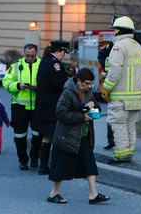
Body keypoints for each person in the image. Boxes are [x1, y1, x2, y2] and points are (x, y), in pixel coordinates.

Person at [47, 68, 110, 204]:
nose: (88, 86)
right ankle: (54, 193)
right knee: (61, 165)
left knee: (90, 164)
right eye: (86, 83)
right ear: (78, 81)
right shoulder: (68, 93)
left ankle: (93, 194)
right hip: (67, 135)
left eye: (90, 84)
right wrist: (82, 117)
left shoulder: (87, 92)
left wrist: (93, 104)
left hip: (84, 134)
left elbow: (97, 107)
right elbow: (60, 113)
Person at [101, 16, 141, 164]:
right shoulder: (138, 46)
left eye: (114, 30)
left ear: (118, 31)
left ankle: (121, 156)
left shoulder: (119, 46)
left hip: (120, 98)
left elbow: (115, 71)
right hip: (135, 97)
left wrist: (106, 88)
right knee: (130, 126)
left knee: (119, 125)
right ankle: (128, 154)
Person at [2, 43, 42, 170]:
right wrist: (19, 85)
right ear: (24, 53)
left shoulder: (42, 64)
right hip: (19, 106)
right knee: (20, 136)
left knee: (38, 135)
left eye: (32, 55)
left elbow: (48, 83)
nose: (30, 58)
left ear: (36, 53)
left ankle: (35, 158)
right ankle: (23, 160)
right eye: (27, 55)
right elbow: (6, 82)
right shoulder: (15, 65)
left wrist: (37, 88)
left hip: (37, 106)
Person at [33, 40, 70, 175]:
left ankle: (43, 164)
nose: (64, 55)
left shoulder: (44, 61)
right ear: (59, 51)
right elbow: (58, 83)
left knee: (47, 135)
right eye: (64, 52)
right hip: (52, 106)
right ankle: (48, 165)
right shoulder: (55, 63)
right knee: (53, 136)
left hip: (43, 106)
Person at [97, 41, 115, 150]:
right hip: (116, 86)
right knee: (112, 115)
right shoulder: (114, 44)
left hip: (130, 87)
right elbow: (101, 55)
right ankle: (111, 140)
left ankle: (125, 144)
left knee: (129, 120)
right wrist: (108, 69)